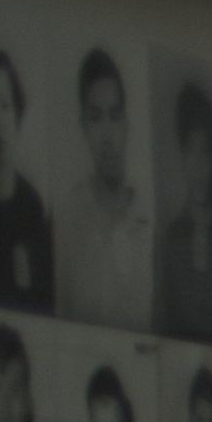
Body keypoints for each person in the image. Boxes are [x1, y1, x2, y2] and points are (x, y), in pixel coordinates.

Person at [155, 80, 212, 343]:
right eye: (190, 151)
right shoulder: (170, 239)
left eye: (206, 152)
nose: (198, 165)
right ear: (182, 155)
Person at [66, 50, 151, 328]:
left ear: (126, 124)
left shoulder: (147, 218)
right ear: (83, 127)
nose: (107, 135)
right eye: (95, 118)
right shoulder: (69, 215)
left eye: (115, 116)